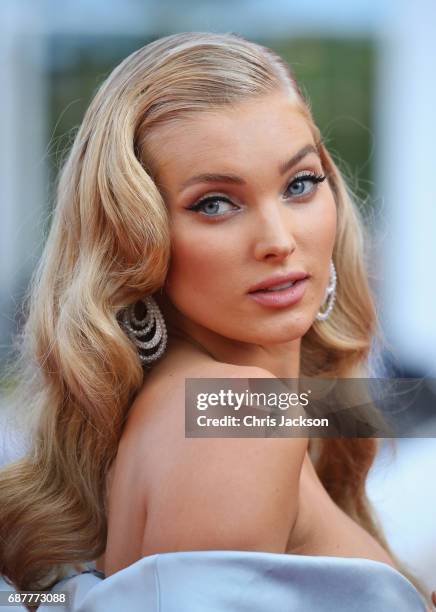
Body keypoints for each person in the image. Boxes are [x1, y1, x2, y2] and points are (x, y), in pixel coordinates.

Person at [0, 31, 433, 611]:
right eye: (214, 203)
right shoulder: (238, 415)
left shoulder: (196, 407)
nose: (279, 241)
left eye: (299, 184)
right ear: (137, 239)